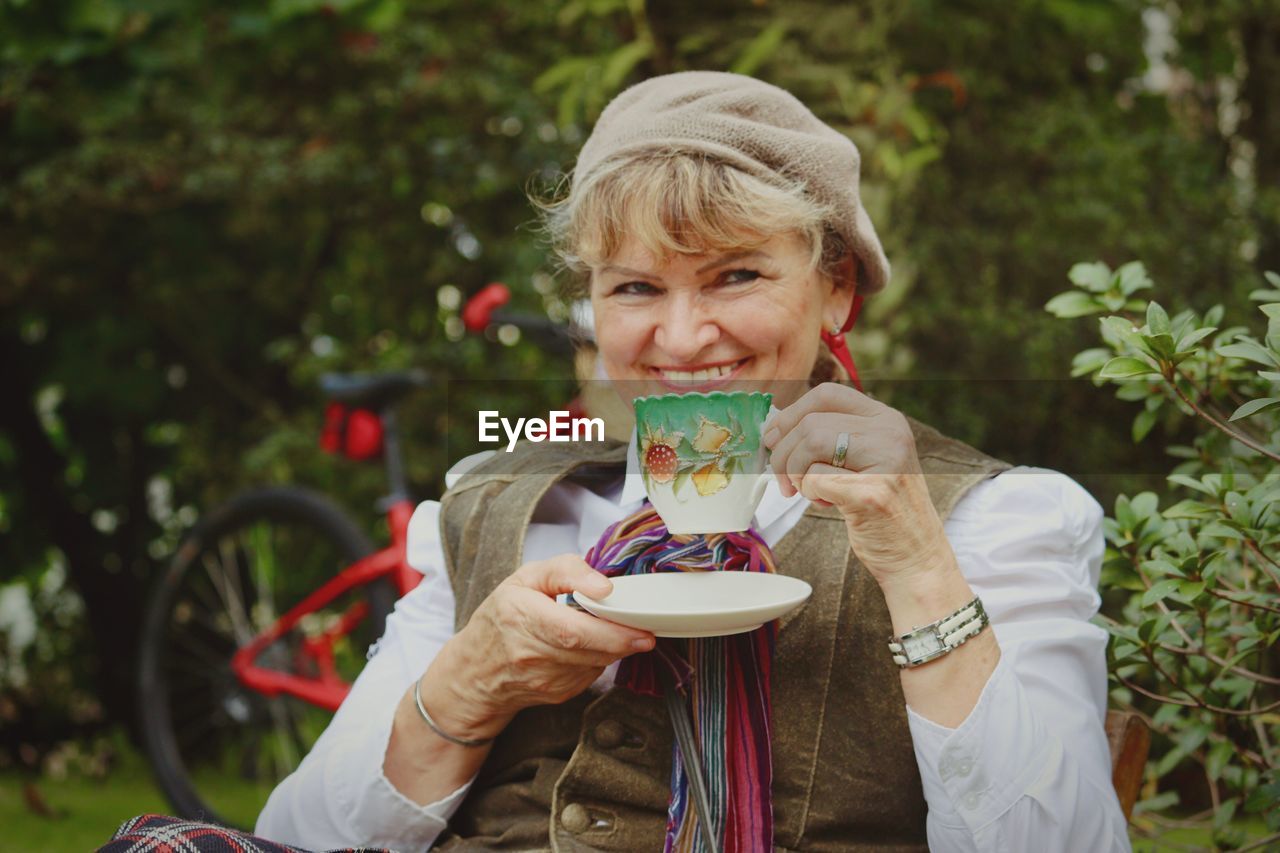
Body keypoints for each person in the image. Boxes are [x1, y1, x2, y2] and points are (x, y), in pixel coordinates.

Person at [253, 72, 1131, 852]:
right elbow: (296, 837)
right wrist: (470, 681)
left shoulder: (993, 519)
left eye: (736, 275)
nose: (678, 339)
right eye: (634, 287)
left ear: (837, 287)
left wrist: (919, 565)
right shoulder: (496, 501)